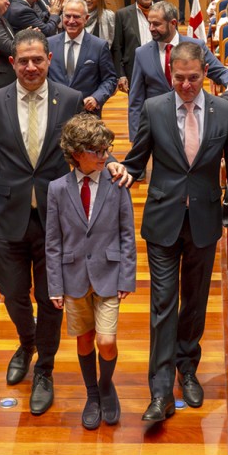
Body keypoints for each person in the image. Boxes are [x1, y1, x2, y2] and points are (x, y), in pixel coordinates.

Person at [122, 41, 228, 423]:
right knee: (163, 304)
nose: (186, 85)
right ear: (170, 75)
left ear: (204, 75)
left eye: (194, 78)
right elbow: (135, 162)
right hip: (162, 221)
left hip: (206, 223)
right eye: (179, 78)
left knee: (194, 303)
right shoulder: (154, 108)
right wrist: (115, 174)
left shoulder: (224, 111)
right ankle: (160, 392)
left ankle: (188, 368)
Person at [0, 29, 88, 416]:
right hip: (9, 215)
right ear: (13, 63)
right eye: (23, 60)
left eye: (38, 59)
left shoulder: (70, 100)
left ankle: (45, 369)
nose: (31, 66)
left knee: (50, 297)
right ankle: (27, 341)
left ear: (49, 60)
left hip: (57, 220)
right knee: (13, 292)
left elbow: (85, 158)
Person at [44, 114, 136, 430]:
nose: (104, 156)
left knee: (106, 341)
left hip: (109, 273)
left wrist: (127, 276)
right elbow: (52, 241)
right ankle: (93, 394)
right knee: (84, 339)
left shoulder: (117, 183)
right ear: (77, 153)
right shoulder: (56, 189)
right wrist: (54, 285)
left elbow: (127, 233)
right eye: (97, 151)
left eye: (105, 149)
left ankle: (107, 385)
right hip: (73, 277)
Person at [126, 0, 228, 138]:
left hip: (193, 119)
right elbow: (136, 100)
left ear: (173, 23)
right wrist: (135, 138)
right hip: (158, 126)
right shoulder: (142, 53)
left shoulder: (196, 46)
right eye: (150, 23)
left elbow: (220, 72)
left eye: (157, 24)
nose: (151, 28)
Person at [48, 0, 118, 115]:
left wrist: (96, 98)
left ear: (86, 19)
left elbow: (110, 79)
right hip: (55, 112)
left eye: (76, 17)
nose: (71, 21)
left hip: (87, 114)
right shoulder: (49, 43)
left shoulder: (99, 46)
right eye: (67, 16)